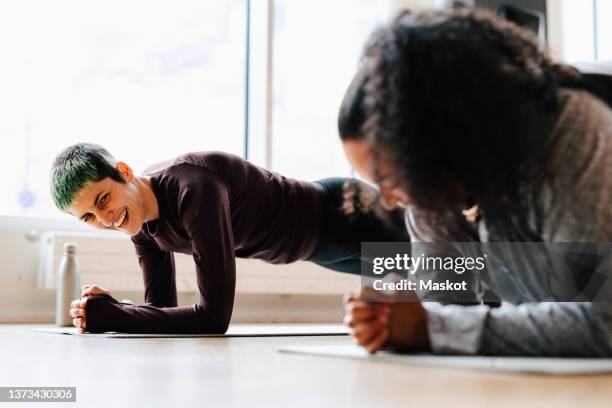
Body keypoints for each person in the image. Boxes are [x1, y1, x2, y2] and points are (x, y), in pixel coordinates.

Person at [339, 9, 612, 355]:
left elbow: (605, 324)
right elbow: (445, 305)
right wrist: (393, 318)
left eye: (390, 179)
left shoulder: (574, 136)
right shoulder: (433, 191)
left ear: (443, 143)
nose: (389, 201)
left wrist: (432, 327)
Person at [50, 145, 408, 333]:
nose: (106, 219)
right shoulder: (139, 222)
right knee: (447, 286)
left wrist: (115, 317)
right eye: (89, 218)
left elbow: (213, 318)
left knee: (459, 276)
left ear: (124, 172)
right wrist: (116, 309)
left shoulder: (193, 189)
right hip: (316, 248)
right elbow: (161, 310)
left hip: (342, 213)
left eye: (103, 200)